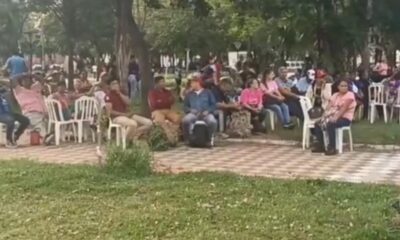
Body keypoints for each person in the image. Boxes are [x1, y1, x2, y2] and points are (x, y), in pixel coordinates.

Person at [312, 79, 356, 155]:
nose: (344, 87)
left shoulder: (350, 95)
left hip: (345, 118)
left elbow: (343, 109)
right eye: (342, 86)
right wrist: (324, 116)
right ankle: (321, 145)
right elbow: (328, 107)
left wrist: (335, 117)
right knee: (317, 124)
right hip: (332, 115)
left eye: (346, 86)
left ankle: (332, 147)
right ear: (338, 87)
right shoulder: (335, 95)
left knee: (331, 124)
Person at [182, 73, 217, 145]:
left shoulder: (208, 92)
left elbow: (213, 105)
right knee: (186, 120)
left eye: (192, 83)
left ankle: (209, 139)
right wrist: (190, 110)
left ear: (197, 83)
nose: (191, 84)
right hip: (193, 114)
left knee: (212, 121)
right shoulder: (189, 94)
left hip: (206, 114)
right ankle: (188, 139)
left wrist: (208, 111)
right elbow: (185, 107)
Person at [12, 74, 47, 138]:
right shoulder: (19, 90)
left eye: (28, 80)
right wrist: (22, 75)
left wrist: (32, 75)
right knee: (38, 125)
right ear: (21, 82)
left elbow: (42, 79)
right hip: (30, 113)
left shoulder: (35, 87)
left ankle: (41, 133)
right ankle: (43, 135)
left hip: (43, 113)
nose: (26, 81)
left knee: (47, 123)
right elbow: (13, 80)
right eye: (24, 80)